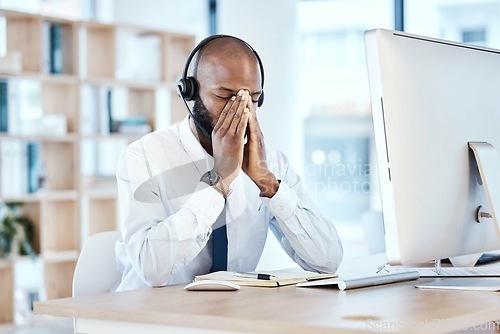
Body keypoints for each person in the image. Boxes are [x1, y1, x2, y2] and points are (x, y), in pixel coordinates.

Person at [114, 35, 343, 291]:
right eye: (225, 96)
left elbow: (328, 262)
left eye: (253, 99)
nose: (243, 110)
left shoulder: (271, 162)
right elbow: (151, 268)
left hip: (229, 318)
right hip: (148, 318)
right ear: (188, 92)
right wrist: (219, 179)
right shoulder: (142, 157)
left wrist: (268, 183)